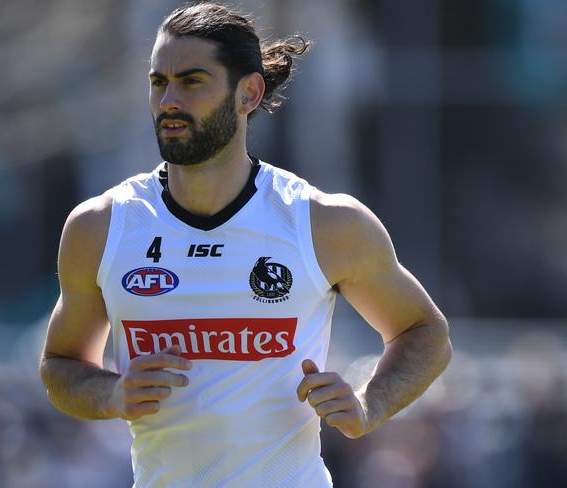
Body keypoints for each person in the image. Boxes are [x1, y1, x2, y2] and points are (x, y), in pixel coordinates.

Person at [39, 3, 452, 487]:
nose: (169, 100)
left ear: (248, 93)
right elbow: (61, 366)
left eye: (192, 81)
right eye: (158, 82)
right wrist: (110, 395)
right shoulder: (102, 227)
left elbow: (426, 334)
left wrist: (369, 403)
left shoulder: (321, 223)